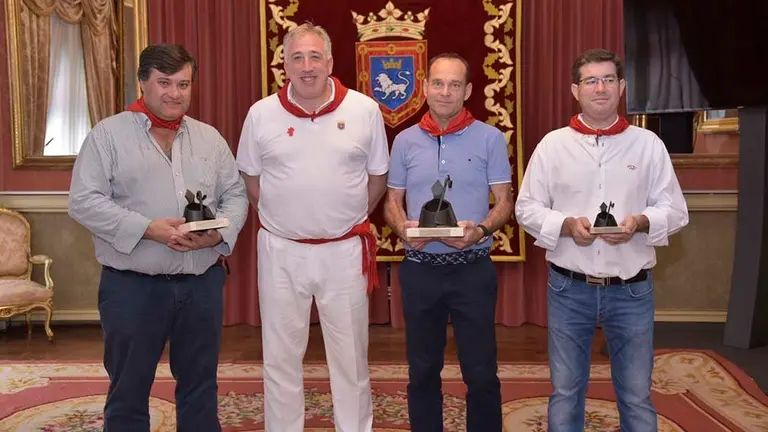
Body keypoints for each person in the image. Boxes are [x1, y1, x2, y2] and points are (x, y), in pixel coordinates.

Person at [68, 43, 249, 431]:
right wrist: (147, 228)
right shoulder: (107, 136)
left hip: (201, 285)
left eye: (183, 84)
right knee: (129, 391)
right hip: (133, 288)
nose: (174, 93)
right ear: (143, 83)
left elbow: (235, 194)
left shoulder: (210, 138)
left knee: (201, 387)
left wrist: (218, 236)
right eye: (164, 82)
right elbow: (83, 202)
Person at [515, 48, 689, 431]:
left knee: (636, 394)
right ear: (575, 90)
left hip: (631, 291)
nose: (600, 88)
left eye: (609, 79)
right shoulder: (552, 145)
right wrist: (564, 225)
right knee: (565, 390)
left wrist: (641, 221)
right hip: (568, 287)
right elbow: (526, 208)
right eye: (591, 81)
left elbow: (676, 211)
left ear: (622, 87)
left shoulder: (648, 145)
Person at [235, 23, 389, 432]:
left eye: (315, 57)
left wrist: (341, 220)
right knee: (281, 357)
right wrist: (288, 218)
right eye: (298, 58)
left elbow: (377, 180)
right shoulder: (260, 114)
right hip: (281, 252)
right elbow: (251, 180)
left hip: (344, 253)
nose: (307, 67)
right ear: (284, 64)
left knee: (351, 358)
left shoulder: (364, 110)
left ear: (331, 62)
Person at [383, 52, 513, 432]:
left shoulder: (489, 138)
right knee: (422, 369)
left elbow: (505, 201)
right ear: (424, 88)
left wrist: (483, 230)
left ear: (468, 90)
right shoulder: (405, 140)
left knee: (481, 371)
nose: (445, 91)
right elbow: (392, 202)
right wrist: (402, 229)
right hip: (420, 271)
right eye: (438, 83)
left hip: (473, 269)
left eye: (455, 84)